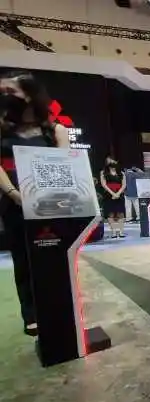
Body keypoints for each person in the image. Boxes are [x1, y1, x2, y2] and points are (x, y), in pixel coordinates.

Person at [0, 70, 70, 336]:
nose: (5, 96)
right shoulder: (2, 128)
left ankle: (58, 308)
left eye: (11, 91)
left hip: (51, 205)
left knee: (53, 257)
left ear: (29, 95)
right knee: (22, 258)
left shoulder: (55, 131)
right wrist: (14, 194)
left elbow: (64, 166)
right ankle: (30, 313)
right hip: (14, 203)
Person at [100, 156, 127, 238]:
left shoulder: (121, 173)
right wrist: (113, 194)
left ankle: (121, 232)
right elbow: (104, 184)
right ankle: (114, 232)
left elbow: (124, 185)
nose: (111, 163)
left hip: (119, 194)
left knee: (120, 213)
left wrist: (118, 193)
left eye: (112, 161)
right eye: (109, 161)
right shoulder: (103, 172)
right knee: (110, 214)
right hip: (108, 195)